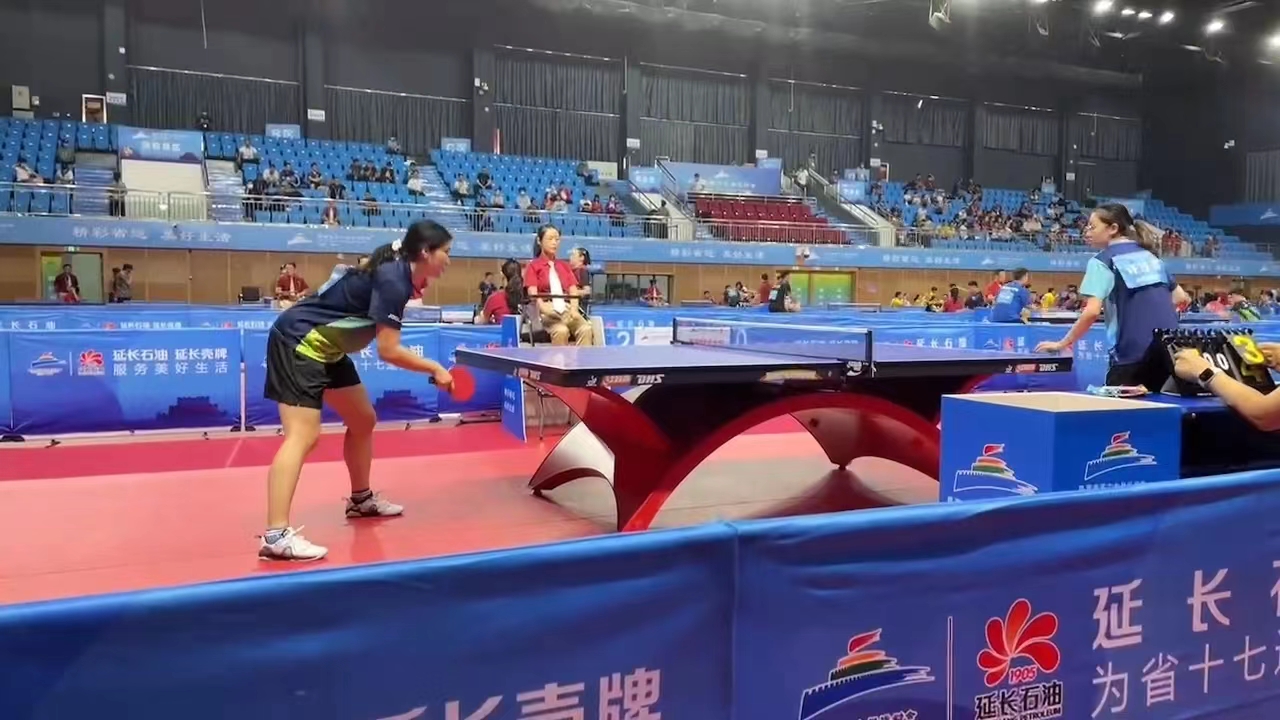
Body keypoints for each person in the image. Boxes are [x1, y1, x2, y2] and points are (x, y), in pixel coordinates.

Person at [259, 221, 455, 561]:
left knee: (363, 420)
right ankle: (276, 535)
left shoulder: (400, 275)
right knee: (303, 436)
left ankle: (361, 500)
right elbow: (388, 350)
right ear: (426, 252)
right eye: (446, 252)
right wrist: (435, 368)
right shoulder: (394, 279)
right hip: (299, 341)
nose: (449, 260)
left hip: (328, 348)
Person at [1035, 203, 1188, 387]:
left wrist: (1062, 343)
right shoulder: (1151, 257)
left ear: (1113, 228)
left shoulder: (1102, 261)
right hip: (1170, 353)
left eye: (1092, 226)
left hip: (1130, 357)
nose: (1086, 231)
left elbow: (1092, 312)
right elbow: (1181, 298)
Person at [524, 225, 593, 346]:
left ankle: (582, 358)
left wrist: (574, 309)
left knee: (586, 329)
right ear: (539, 241)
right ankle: (558, 358)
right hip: (546, 310)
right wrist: (543, 308)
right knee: (561, 331)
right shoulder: (533, 266)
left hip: (566, 308)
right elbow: (533, 293)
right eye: (550, 239)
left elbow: (573, 290)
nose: (554, 243)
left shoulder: (564, 266)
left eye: (557, 239)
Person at [479, 259, 523, 325]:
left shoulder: (494, 298)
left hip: (503, 331)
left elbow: (483, 321)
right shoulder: (528, 297)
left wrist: (481, 316)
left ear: (503, 276)